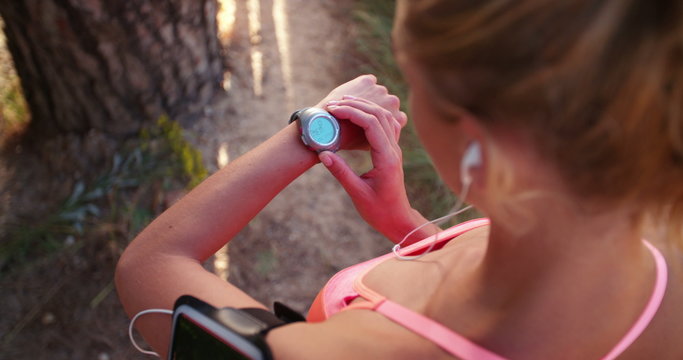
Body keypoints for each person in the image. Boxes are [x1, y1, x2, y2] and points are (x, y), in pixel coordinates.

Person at [115, 0, 683, 358]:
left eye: (414, 81)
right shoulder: (662, 246)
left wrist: (311, 131)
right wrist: (407, 228)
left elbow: (152, 265)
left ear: (474, 142)